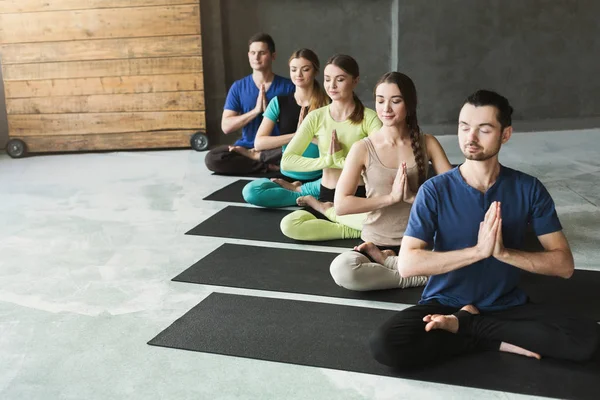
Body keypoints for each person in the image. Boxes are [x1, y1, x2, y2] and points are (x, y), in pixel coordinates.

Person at [369, 90, 599, 369]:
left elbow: (564, 265)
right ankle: (482, 333)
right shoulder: (436, 190)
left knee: (587, 339)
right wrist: (478, 251)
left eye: (484, 129)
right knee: (386, 344)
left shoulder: (528, 188)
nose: (471, 138)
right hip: (445, 302)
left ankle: (469, 325)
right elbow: (407, 264)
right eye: (464, 127)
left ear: (505, 134)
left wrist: (503, 253)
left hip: (506, 305)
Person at [329, 72, 452, 291]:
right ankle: (414, 274)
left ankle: (390, 264)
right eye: (380, 100)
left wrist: (411, 198)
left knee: (471, 256)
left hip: (419, 243)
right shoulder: (363, 148)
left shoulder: (428, 143)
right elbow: (341, 205)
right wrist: (390, 198)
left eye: (395, 101)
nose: (386, 108)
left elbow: (453, 199)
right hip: (375, 245)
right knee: (343, 269)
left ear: (409, 104)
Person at [279, 54, 382, 241]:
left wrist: (342, 160)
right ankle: (349, 225)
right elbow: (287, 162)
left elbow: (382, 163)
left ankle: (327, 212)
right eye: (327, 79)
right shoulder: (316, 117)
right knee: (289, 225)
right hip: (327, 192)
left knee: (390, 224)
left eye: (340, 80)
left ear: (355, 81)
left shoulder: (370, 118)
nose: (331, 86)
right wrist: (328, 160)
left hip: (358, 197)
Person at [242, 48, 329, 208]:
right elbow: (259, 143)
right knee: (251, 191)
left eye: (305, 69)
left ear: (315, 71)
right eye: (294, 69)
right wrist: (298, 135)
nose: (299, 74)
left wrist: (311, 138)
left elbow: (335, 148)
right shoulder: (278, 102)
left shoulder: (328, 104)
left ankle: (299, 191)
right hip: (287, 175)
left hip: (320, 177)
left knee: (345, 182)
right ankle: (304, 195)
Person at [204, 33, 295, 175]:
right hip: (247, 148)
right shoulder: (239, 87)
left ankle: (261, 161)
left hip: (277, 148)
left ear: (273, 56)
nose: (256, 57)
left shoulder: (289, 86)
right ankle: (267, 167)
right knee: (213, 158)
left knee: (301, 151)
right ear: (248, 55)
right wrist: (255, 111)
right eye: (253, 53)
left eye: (262, 53)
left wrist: (272, 116)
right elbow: (226, 127)